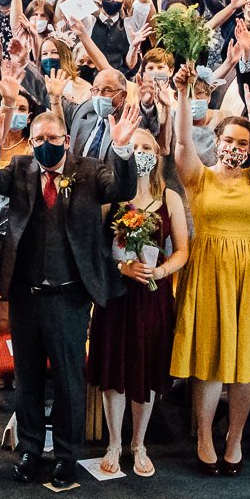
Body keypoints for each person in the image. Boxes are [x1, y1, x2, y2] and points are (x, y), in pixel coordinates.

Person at [0, 98, 140, 491]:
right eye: (37, 139)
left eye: (51, 138)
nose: (44, 144)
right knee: (28, 377)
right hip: (25, 294)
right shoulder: (21, 169)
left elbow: (123, 186)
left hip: (69, 296)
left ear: (66, 140)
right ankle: (31, 448)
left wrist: (121, 148)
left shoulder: (91, 171)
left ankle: (66, 454)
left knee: (68, 379)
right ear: (30, 143)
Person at [166, 60, 250, 475]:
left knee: (246, 360)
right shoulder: (197, 177)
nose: (235, 148)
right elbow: (182, 143)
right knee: (208, 358)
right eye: (229, 141)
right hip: (207, 270)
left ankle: (234, 437)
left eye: (243, 143)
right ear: (217, 140)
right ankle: (204, 435)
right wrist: (184, 93)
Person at [87, 127, 187, 479]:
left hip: (152, 296)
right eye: (134, 147)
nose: (140, 151)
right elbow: (94, 248)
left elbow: (183, 252)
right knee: (115, 371)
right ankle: (114, 442)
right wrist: (121, 267)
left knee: (144, 370)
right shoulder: (110, 197)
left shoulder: (170, 197)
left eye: (147, 146)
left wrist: (159, 270)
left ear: (157, 154)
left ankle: (138, 443)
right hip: (116, 295)